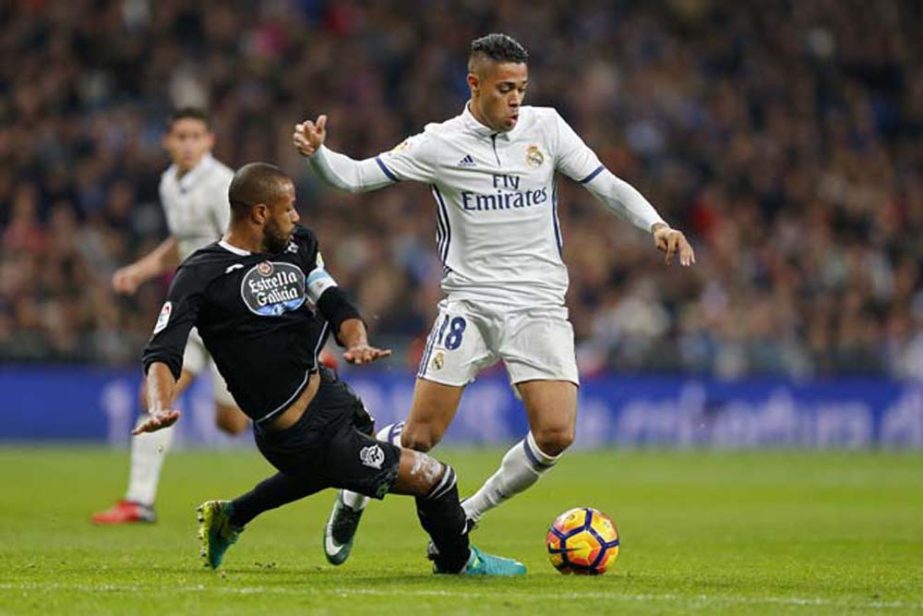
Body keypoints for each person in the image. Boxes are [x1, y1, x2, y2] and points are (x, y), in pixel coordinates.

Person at [292, 33, 696, 565]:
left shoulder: (546, 128)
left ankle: (466, 515)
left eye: (522, 89)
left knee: (556, 433)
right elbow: (357, 177)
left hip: (539, 306)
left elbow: (606, 183)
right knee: (419, 437)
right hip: (470, 305)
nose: (516, 100)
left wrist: (656, 224)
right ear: (474, 84)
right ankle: (352, 493)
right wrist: (320, 155)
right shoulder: (440, 144)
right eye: (505, 89)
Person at [134, 161, 525, 576]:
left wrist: (355, 340)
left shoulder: (298, 244)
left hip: (329, 396)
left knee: (324, 471)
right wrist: (160, 404)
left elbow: (333, 300)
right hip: (294, 432)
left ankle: (232, 516)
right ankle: (459, 562)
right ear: (260, 213)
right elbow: (164, 349)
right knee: (437, 479)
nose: (297, 217)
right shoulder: (202, 273)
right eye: (289, 208)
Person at [93, 108, 249, 525]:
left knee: (232, 423)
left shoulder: (222, 185)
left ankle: (299, 367)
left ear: (210, 140)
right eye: (180, 135)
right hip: (191, 312)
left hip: (231, 317)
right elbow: (183, 243)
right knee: (156, 396)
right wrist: (141, 270)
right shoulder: (169, 183)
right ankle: (138, 501)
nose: (187, 144)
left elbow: (241, 245)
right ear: (167, 140)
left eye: (196, 135)